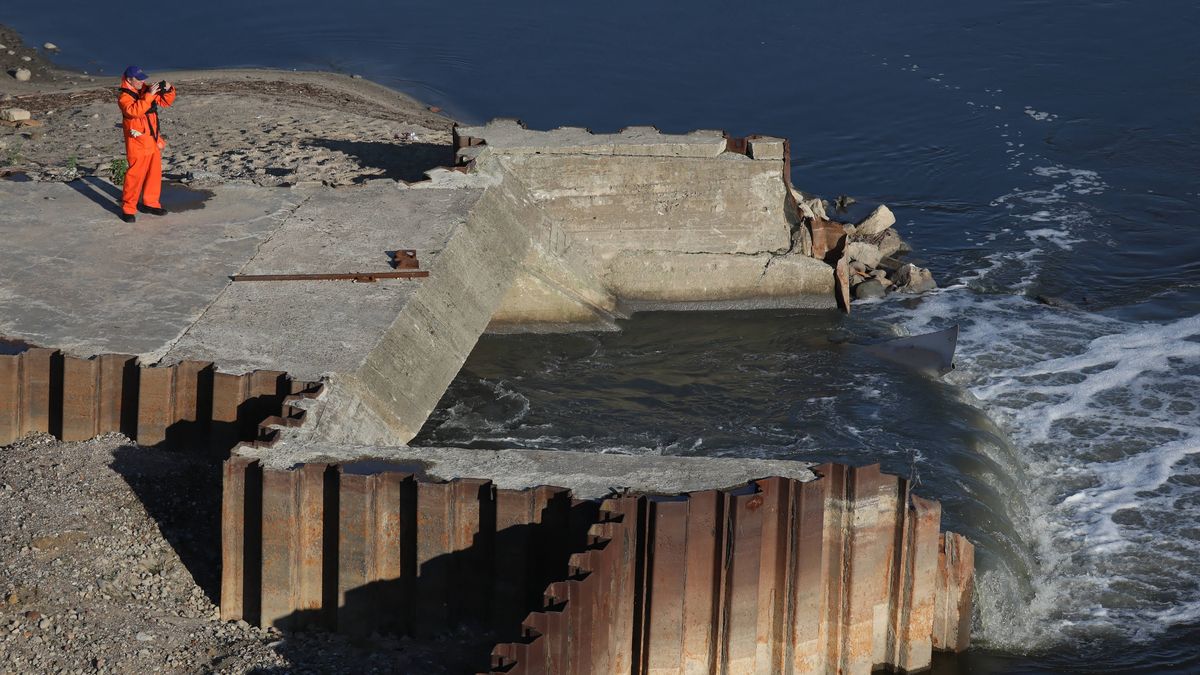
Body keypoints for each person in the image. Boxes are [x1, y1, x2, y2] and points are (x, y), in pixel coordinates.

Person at [116, 66, 176, 223]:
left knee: (154, 175)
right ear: (129, 79)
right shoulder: (124, 97)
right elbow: (134, 111)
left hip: (152, 140)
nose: (142, 81)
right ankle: (128, 209)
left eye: (143, 78)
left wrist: (168, 89)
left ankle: (150, 203)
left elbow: (165, 102)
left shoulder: (145, 90)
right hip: (137, 143)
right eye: (139, 79)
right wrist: (149, 95)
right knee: (134, 177)